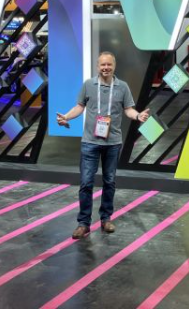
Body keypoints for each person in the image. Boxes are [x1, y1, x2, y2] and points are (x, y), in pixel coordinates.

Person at [57, 51, 150, 239]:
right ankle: (83, 223)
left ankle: (106, 218)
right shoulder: (88, 85)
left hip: (113, 143)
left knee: (109, 182)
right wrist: (66, 116)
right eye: (102, 65)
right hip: (90, 142)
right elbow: (79, 106)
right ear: (97, 66)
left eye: (109, 65)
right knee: (86, 183)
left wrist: (138, 116)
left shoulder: (122, 87)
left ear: (114, 66)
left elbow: (128, 109)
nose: (105, 68)